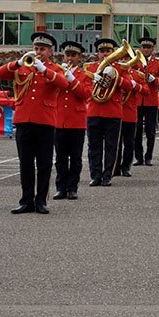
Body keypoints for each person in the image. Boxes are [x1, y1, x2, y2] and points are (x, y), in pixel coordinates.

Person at [0, 32, 70, 214]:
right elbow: (0, 73)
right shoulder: (24, 67)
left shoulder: (55, 69)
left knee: (44, 164)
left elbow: (64, 84)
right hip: (24, 120)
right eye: (36, 49)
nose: (38, 52)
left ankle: (41, 201)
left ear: (51, 52)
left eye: (42, 49)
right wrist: (18, 63)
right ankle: (26, 200)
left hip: (45, 121)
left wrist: (44, 69)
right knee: (25, 164)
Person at [85, 38, 126, 187]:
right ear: (97, 54)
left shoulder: (121, 68)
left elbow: (129, 86)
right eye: (102, 51)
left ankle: (107, 175)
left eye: (108, 51)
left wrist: (117, 79)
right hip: (94, 111)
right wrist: (95, 81)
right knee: (94, 146)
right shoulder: (90, 68)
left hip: (113, 112)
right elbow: (85, 89)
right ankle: (95, 175)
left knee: (111, 145)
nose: (105, 54)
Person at [53, 41, 91, 201]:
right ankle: (60, 188)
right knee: (60, 158)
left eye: (73, 56)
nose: (70, 58)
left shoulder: (85, 76)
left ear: (79, 58)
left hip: (77, 121)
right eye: (67, 55)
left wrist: (73, 80)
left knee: (75, 158)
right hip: (59, 120)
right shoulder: (57, 72)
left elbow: (85, 94)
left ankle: (72, 188)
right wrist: (62, 75)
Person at [133, 36, 159, 167]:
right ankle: (138, 157)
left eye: (148, 47)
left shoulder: (158, 63)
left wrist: (155, 80)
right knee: (136, 131)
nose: (146, 49)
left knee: (150, 130)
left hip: (151, 100)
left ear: (152, 49)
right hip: (137, 100)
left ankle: (148, 157)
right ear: (140, 49)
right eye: (143, 47)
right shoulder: (135, 61)